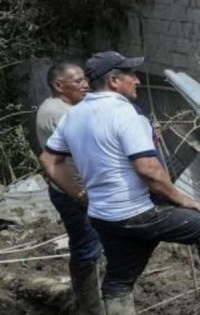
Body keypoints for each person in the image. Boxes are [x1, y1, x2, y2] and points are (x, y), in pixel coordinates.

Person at [39, 51, 200, 315]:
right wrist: (182, 198)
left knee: (120, 278)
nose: (137, 80)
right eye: (131, 75)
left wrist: (80, 196)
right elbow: (147, 169)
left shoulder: (73, 116)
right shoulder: (125, 114)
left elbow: (49, 160)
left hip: (103, 215)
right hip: (136, 212)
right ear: (113, 80)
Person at [35, 62, 103, 314]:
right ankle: (90, 307)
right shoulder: (61, 113)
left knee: (87, 245)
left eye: (85, 79)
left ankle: (87, 301)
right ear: (59, 85)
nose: (85, 84)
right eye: (78, 81)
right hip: (74, 192)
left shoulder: (64, 107)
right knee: (88, 248)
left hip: (72, 189)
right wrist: (80, 194)